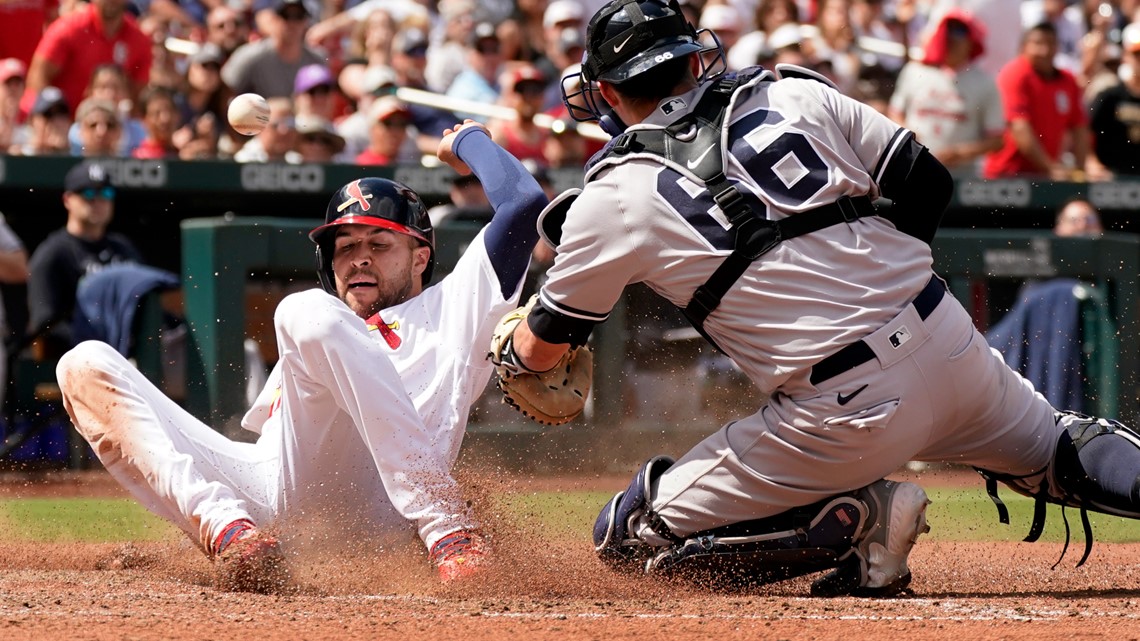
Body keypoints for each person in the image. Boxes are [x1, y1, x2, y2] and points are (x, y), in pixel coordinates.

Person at [500, 0, 1140, 596]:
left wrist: (514, 352)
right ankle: (865, 524)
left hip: (841, 415)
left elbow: (541, 350)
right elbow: (929, 183)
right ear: (696, 59)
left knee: (630, 538)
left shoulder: (613, 195)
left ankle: (861, 517)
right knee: (1061, 448)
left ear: (606, 92)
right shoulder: (792, 93)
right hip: (947, 340)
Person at [54, 121, 549, 592]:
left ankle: (450, 530)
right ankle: (228, 533)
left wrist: (468, 141)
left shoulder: (455, 304)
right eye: (345, 246)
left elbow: (523, 204)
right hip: (278, 502)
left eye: (380, 243)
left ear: (420, 257)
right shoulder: (326, 322)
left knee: (303, 310)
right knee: (82, 362)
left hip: (385, 508)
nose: (359, 257)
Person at [26, 161, 142, 360]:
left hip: (127, 357)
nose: (98, 201)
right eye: (88, 194)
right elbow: (43, 322)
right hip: (78, 361)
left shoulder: (123, 248)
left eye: (106, 194)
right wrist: (97, 349)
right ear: (68, 200)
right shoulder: (54, 252)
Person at [887, 10, 1002, 175]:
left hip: (960, 177)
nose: (952, 38)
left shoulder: (985, 82)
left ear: (971, 40)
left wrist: (961, 152)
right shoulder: (915, 70)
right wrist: (908, 136)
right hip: (912, 170)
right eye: (948, 30)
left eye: (960, 31)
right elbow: (894, 113)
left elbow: (997, 140)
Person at [982, 22, 1095, 181]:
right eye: (1038, 43)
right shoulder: (1015, 74)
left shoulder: (1068, 80)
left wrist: (1081, 171)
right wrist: (1051, 168)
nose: (1045, 50)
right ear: (1024, 47)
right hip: (1007, 175)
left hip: (1044, 176)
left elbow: (1079, 128)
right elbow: (1019, 127)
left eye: (1051, 43)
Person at [20, 0, 152, 119]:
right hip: (64, 124)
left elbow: (139, 96)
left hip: (109, 129)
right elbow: (38, 76)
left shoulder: (139, 39)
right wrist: (49, 118)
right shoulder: (69, 28)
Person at [221, 0, 325, 99]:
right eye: (286, 15)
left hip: (302, 117)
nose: (292, 23)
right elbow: (223, 92)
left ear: (306, 22)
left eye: (298, 16)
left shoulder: (317, 59)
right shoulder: (249, 56)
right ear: (273, 19)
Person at [1089, 22, 1140, 175]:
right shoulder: (1110, 96)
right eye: (1136, 55)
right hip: (1111, 180)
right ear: (1125, 57)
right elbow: (1085, 130)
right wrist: (1091, 161)